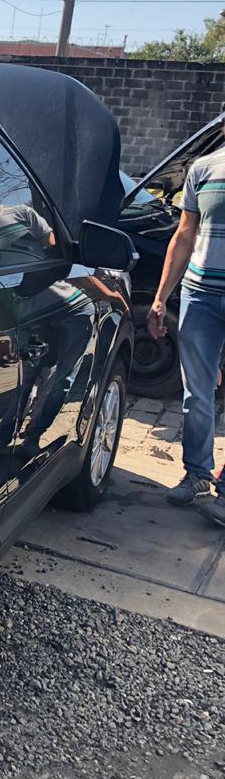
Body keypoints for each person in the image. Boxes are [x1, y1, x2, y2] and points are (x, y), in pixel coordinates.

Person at [148, 135, 225, 518]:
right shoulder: (203, 169)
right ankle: (197, 473)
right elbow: (184, 234)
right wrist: (161, 297)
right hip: (200, 295)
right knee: (197, 392)